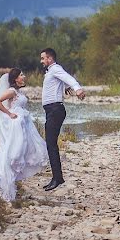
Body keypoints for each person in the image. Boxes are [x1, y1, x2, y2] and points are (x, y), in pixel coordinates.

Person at [0, 68, 49, 202]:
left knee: (24, 151)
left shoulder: (18, 91)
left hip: (23, 124)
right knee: (15, 152)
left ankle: (13, 179)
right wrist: (9, 114)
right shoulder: (12, 91)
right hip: (15, 125)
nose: (24, 76)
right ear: (15, 79)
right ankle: (5, 179)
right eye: (21, 75)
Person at [40, 48, 86, 191]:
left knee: (51, 144)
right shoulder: (51, 72)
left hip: (55, 110)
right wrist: (65, 87)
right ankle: (57, 177)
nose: (41, 61)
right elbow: (62, 81)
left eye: (43, 58)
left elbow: (68, 77)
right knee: (51, 143)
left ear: (50, 58)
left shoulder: (55, 69)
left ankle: (57, 178)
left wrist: (77, 88)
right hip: (52, 110)